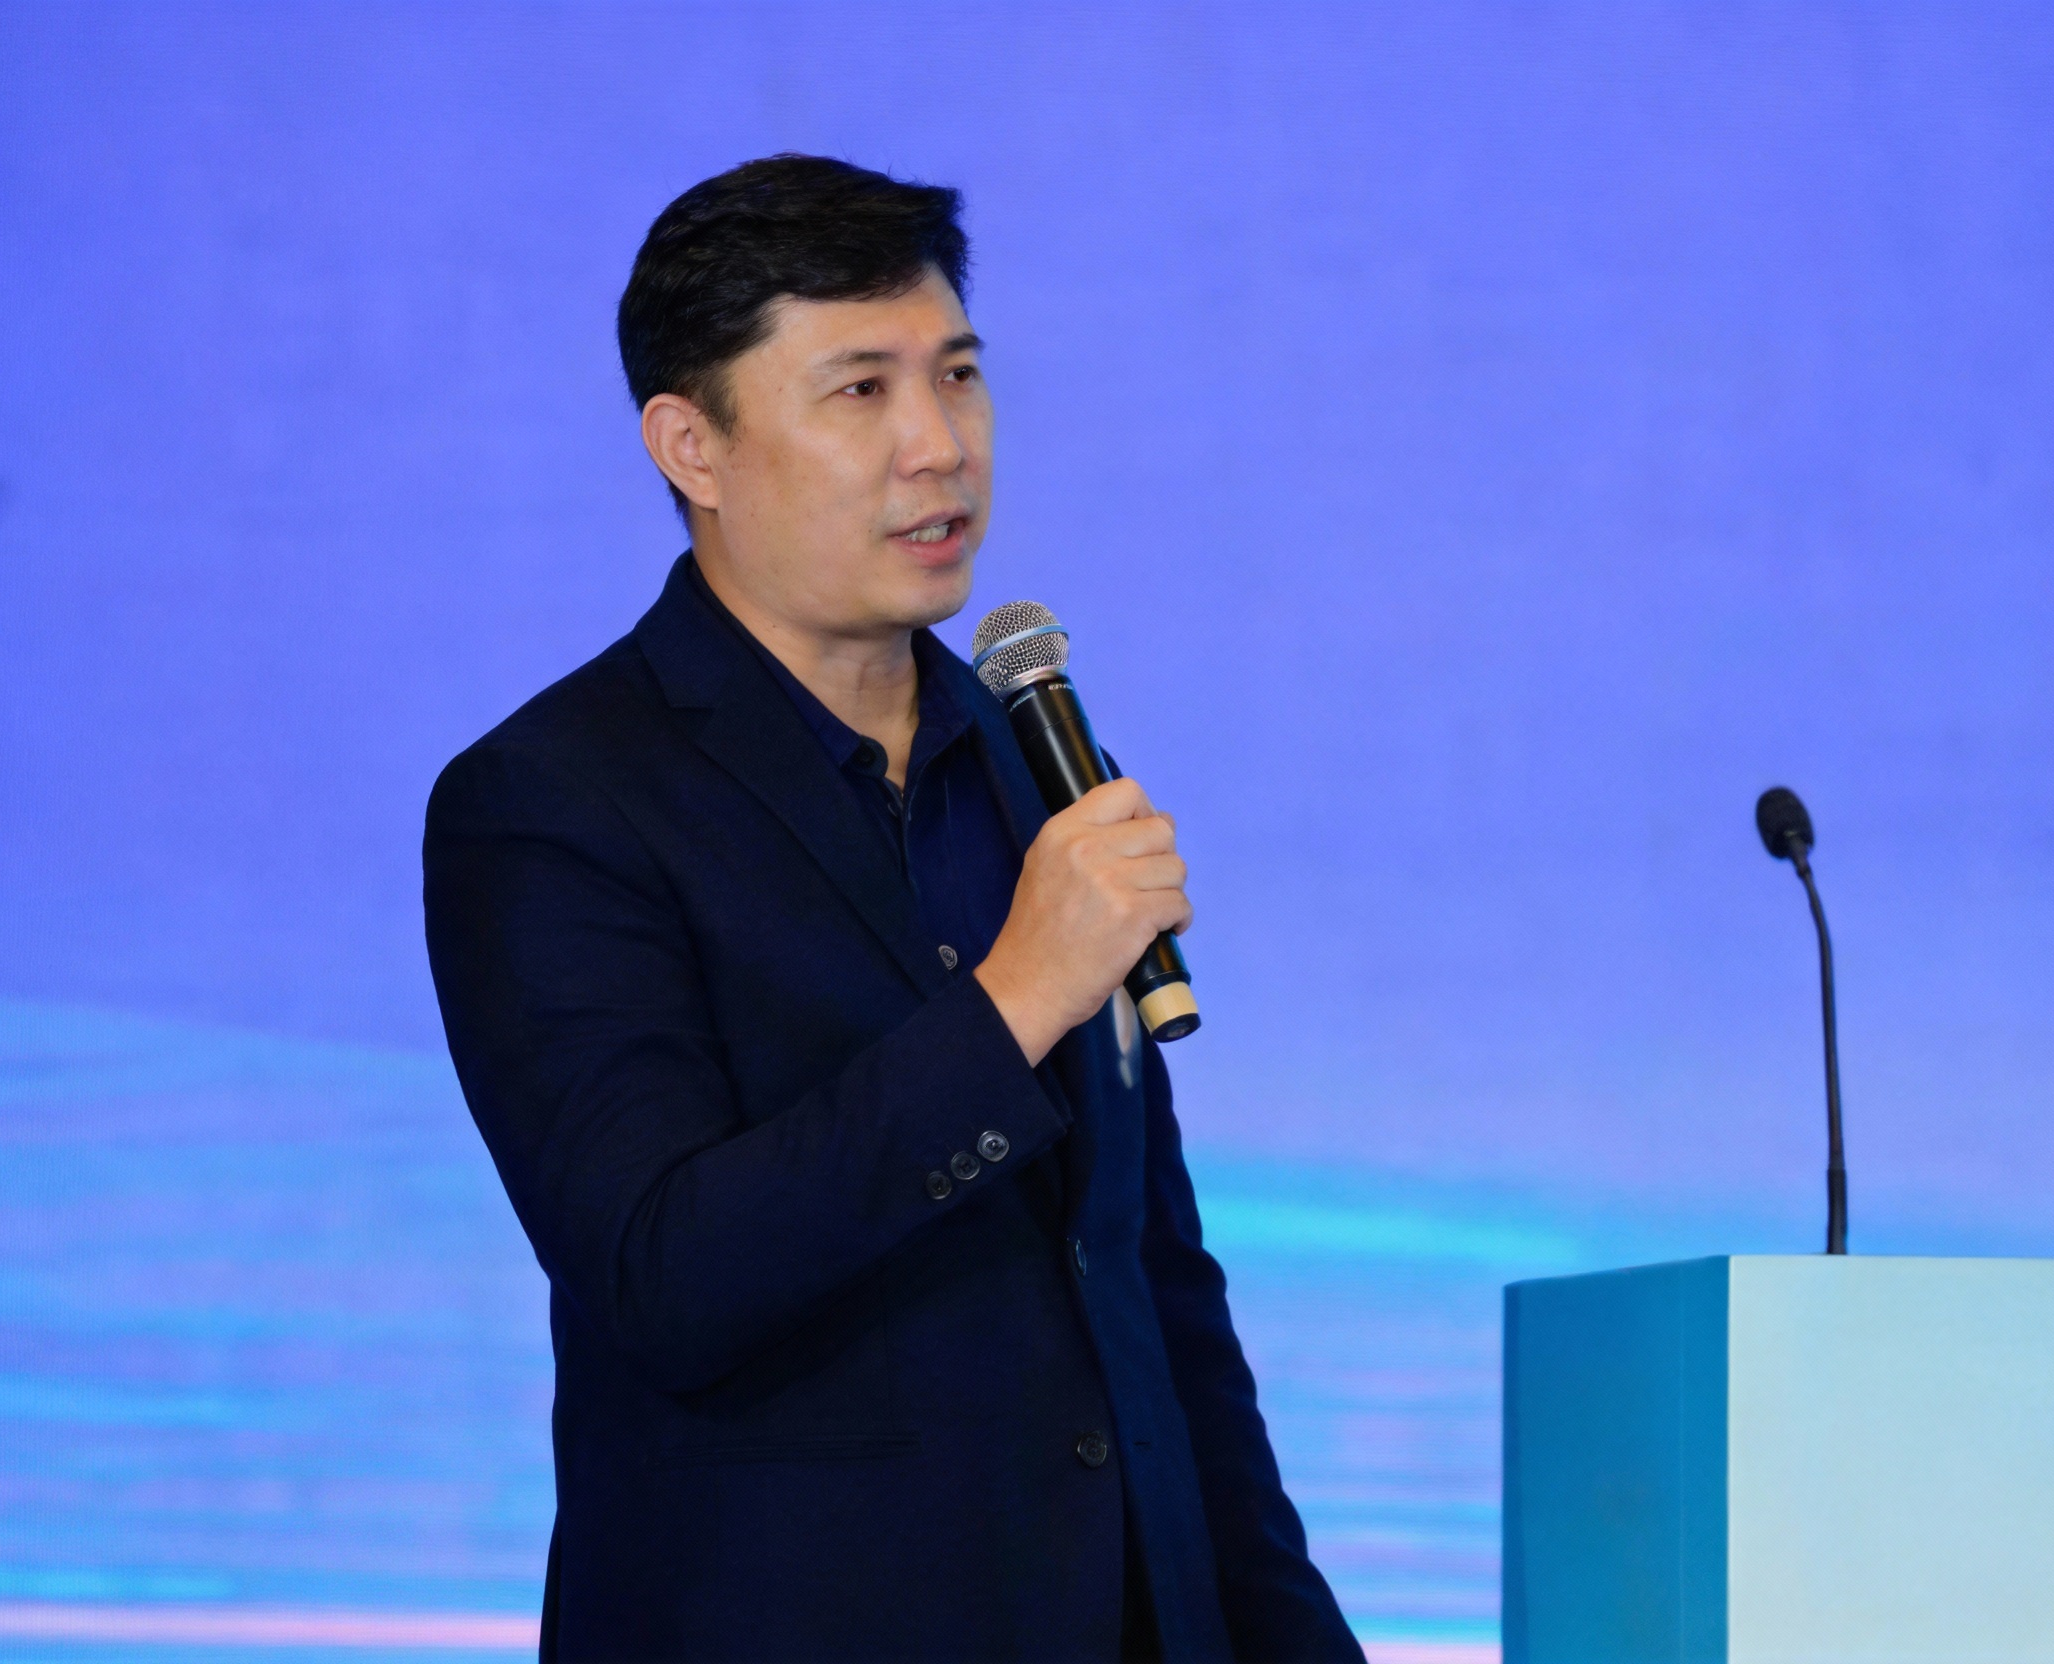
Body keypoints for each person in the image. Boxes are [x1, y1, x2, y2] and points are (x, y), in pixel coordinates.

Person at [423, 154, 1362, 1664]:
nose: (939, 447)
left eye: (959, 376)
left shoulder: (1038, 762)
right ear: (692, 445)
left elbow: (1152, 1291)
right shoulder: (554, 801)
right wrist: (1015, 1000)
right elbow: (663, 1273)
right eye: (861, 390)